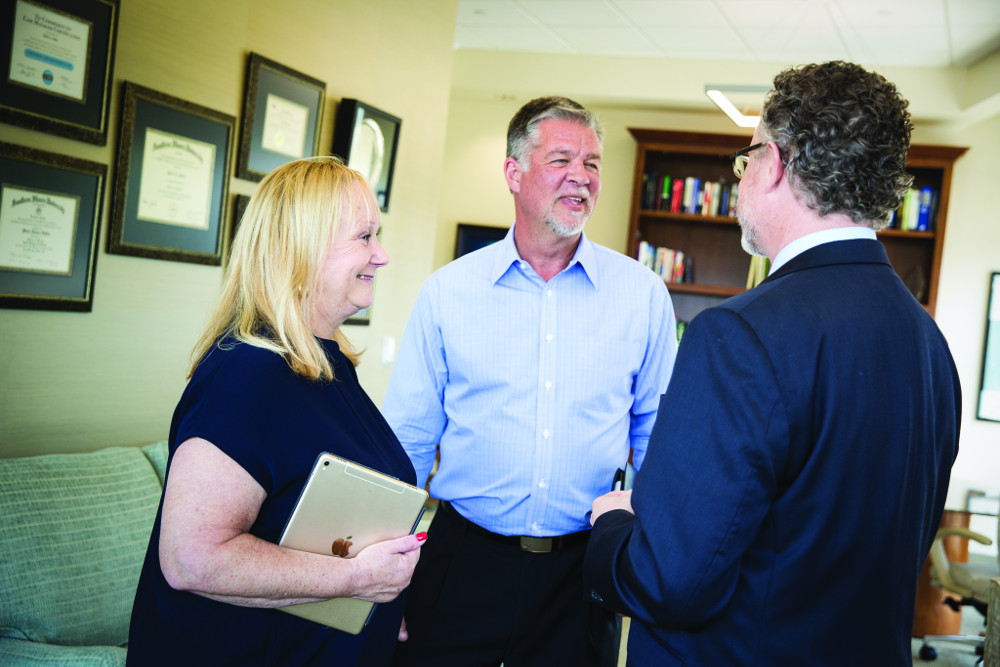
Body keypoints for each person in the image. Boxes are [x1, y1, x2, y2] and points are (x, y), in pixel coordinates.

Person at [584, 61, 962, 664]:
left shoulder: (738, 335)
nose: (740, 177)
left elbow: (669, 584)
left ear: (777, 162)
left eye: (748, 156)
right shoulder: (928, 343)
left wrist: (611, 528)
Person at [383, 96, 678, 667]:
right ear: (513, 173)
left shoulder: (642, 295)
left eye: (592, 163)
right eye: (561, 159)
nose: (581, 177)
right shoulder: (449, 291)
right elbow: (408, 444)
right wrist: (382, 580)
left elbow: (657, 436)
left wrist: (646, 558)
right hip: (460, 560)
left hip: (583, 572)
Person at [126, 157, 425, 666]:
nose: (382, 256)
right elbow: (191, 560)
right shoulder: (246, 374)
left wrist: (379, 604)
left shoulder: (324, 364)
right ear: (300, 251)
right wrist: (359, 579)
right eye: (364, 237)